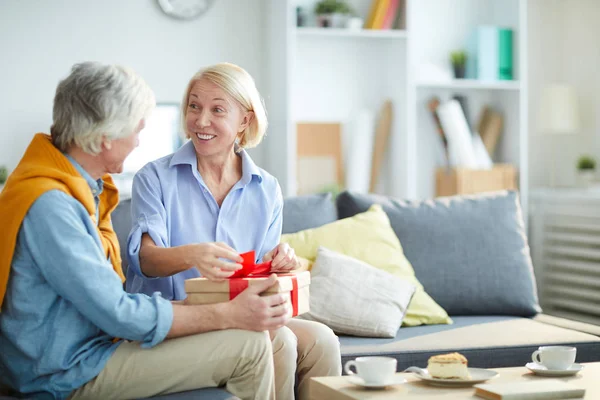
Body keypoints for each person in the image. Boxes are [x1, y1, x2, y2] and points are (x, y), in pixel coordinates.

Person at [0, 62, 289, 400]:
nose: (139, 141)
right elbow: (118, 313)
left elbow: (112, 304)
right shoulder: (54, 206)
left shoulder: (71, 187)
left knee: (274, 339)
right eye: (136, 129)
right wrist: (225, 314)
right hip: (64, 371)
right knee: (249, 347)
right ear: (105, 136)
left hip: (86, 350)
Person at [126, 62, 342, 399]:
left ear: (245, 119)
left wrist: (280, 262)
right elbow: (147, 261)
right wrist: (195, 254)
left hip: (238, 313)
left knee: (323, 341)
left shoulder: (266, 188)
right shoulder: (154, 178)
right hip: (175, 317)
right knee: (280, 339)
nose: (201, 121)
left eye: (217, 110)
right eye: (194, 106)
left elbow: (259, 278)